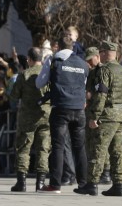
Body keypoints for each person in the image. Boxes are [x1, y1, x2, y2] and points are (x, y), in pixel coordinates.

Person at [74, 41, 122, 196]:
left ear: (105, 53)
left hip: (107, 116)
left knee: (98, 149)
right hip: (120, 116)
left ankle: (92, 184)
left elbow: (101, 96)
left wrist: (95, 117)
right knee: (118, 151)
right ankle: (119, 185)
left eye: (101, 51)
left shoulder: (105, 71)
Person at [36, 35, 88, 193]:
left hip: (61, 108)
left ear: (57, 45)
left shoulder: (54, 61)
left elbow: (40, 83)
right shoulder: (83, 64)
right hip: (79, 109)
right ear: (73, 47)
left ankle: (55, 185)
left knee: (58, 146)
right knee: (79, 147)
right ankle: (84, 185)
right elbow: (83, 85)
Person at [8, 47, 50, 192]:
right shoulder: (48, 75)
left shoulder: (24, 74)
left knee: (23, 148)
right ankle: (40, 183)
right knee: (43, 149)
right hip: (45, 116)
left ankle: (22, 182)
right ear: (42, 59)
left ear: (29, 60)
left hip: (27, 117)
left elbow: (14, 96)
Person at [84, 47, 111, 184]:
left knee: (100, 144)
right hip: (90, 111)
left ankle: (105, 173)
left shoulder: (103, 71)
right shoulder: (91, 72)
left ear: (97, 56)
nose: (89, 62)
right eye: (87, 60)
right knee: (90, 144)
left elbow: (102, 94)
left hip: (99, 112)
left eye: (90, 59)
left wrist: (90, 95)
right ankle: (94, 173)